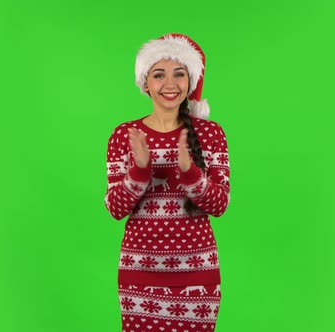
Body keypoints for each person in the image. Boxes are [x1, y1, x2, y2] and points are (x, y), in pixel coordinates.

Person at [104, 33, 231, 332]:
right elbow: (115, 208)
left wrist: (189, 173)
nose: (170, 84)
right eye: (159, 74)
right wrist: (140, 171)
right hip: (139, 276)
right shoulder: (124, 135)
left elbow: (220, 204)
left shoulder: (211, 134)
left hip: (197, 276)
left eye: (179, 74)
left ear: (190, 81)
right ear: (145, 83)